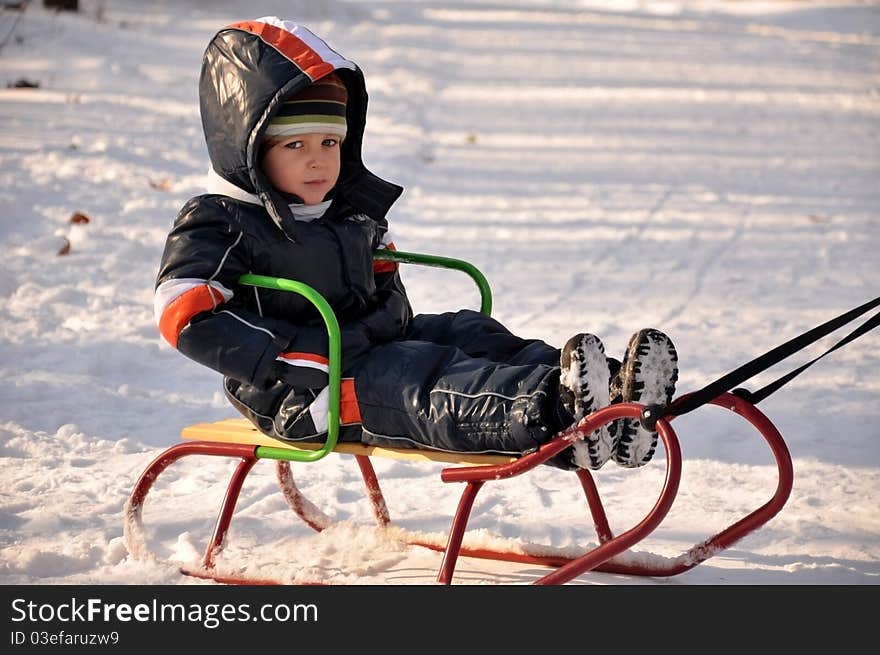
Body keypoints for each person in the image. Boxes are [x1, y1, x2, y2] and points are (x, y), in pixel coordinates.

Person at [154, 16, 679, 471]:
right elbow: (184, 312)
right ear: (246, 149)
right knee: (416, 377)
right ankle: (557, 413)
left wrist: (380, 327)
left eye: (330, 143)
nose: (318, 161)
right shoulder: (220, 220)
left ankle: (610, 393)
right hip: (301, 392)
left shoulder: (351, 211)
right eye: (295, 145)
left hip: (364, 346)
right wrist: (301, 356)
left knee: (465, 332)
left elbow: (388, 287)